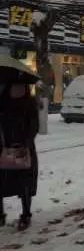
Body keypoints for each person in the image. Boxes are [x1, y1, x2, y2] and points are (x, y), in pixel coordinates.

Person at [0, 83, 39, 231]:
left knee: (24, 183)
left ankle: (25, 214)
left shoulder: (28, 103)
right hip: (7, 148)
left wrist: (26, 143)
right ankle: (5, 214)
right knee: (7, 181)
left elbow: (33, 126)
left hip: (21, 149)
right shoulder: (3, 102)